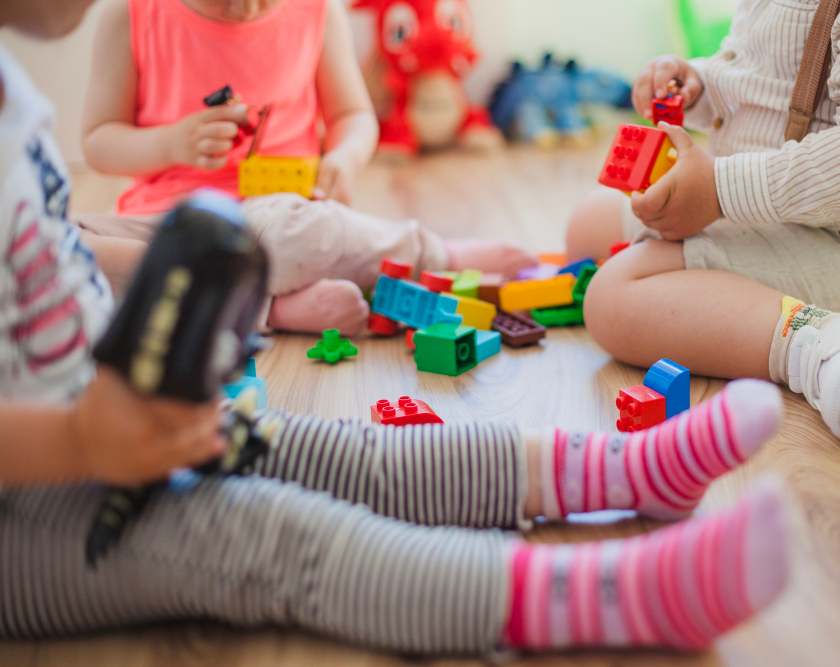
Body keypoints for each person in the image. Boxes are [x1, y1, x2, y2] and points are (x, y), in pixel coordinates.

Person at [0, 0, 794, 653]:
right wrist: (80, 439)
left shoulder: (18, 98)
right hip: (34, 501)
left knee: (326, 448)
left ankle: (622, 470)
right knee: (271, 537)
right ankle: (618, 595)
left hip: (100, 414)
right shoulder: (126, 26)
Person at [567, 0, 840, 441]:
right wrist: (700, 86)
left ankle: (830, 343)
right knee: (587, 225)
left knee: (610, 300)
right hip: (769, 209)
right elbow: (767, 79)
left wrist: (719, 190)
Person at [77, 0, 537, 336]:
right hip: (164, 225)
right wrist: (171, 143)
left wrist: (343, 159)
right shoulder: (130, 15)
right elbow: (98, 140)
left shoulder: (314, 10)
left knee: (299, 232)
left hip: (276, 214)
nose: (246, 9)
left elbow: (352, 116)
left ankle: (435, 255)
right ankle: (273, 307)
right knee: (69, 246)